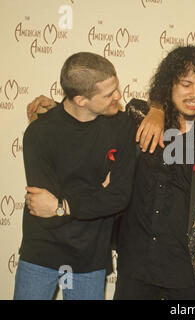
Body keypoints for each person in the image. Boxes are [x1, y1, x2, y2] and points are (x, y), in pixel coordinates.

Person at [16, 52, 137, 300]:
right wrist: (97, 192)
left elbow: (118, 198)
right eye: (109, 94)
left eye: (116, 88)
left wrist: (62, 205)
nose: (118, 97)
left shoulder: (122, 127)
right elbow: (42, 206)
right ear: (81, 99)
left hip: (90, 256)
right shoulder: (40, 132)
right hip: (42, 250)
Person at [113, 45, 195, 300]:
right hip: (136, 261)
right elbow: (95, 121)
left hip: (186, 269)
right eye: (186, 84)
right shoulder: (141, 118)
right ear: (170, 85)